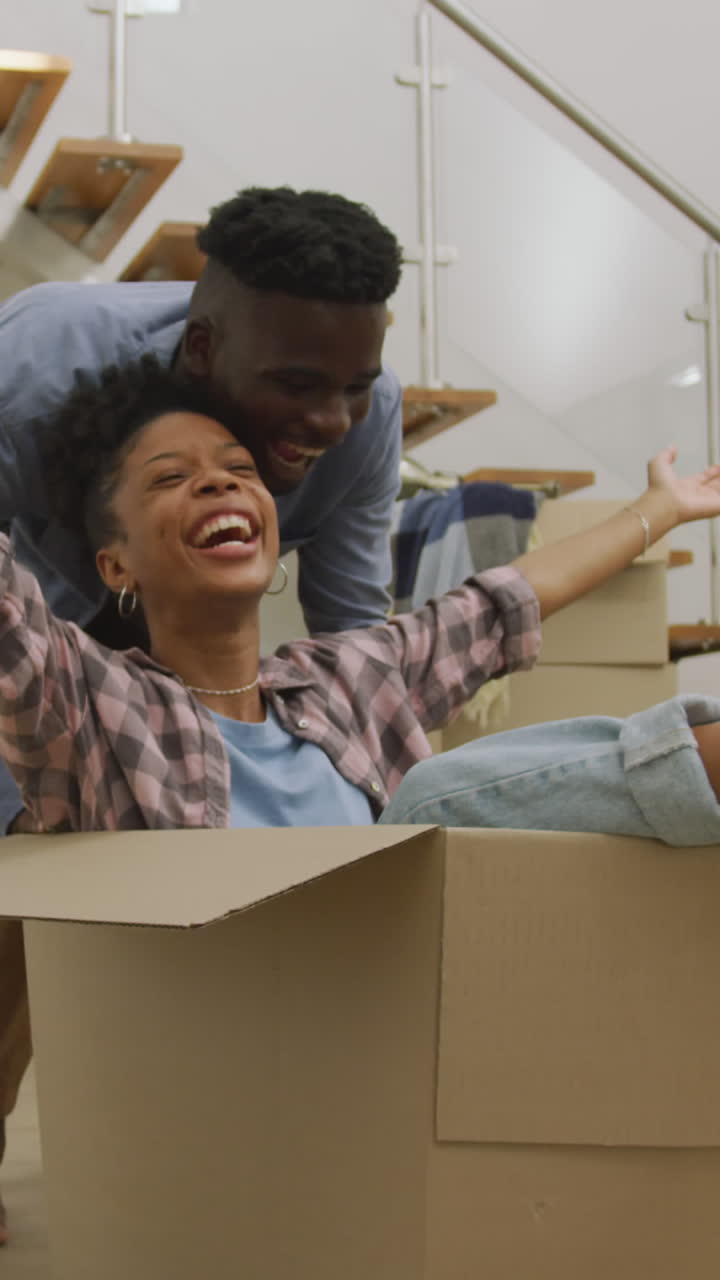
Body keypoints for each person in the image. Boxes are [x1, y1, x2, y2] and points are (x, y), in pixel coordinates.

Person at [1, 360, 720, 1243]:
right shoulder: (91, 704)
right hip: (223, 1090)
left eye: (236, 468)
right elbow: (12, 626)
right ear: (116, 562)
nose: (220, 482)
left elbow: (507, 603)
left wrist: (664, 508)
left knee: (447, 803)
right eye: (171, 478)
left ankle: (696, 760)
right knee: (437, 796)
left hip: (405, 1051)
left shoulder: (345, 681)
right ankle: (702, 757)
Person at [0, 183, 403, 830]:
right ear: (201, 350)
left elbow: (355, 636)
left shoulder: (368, 421)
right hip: (35, 652)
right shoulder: (37, 367)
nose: (331, 420)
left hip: (201, 690)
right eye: (297, 384)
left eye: (356, 386)